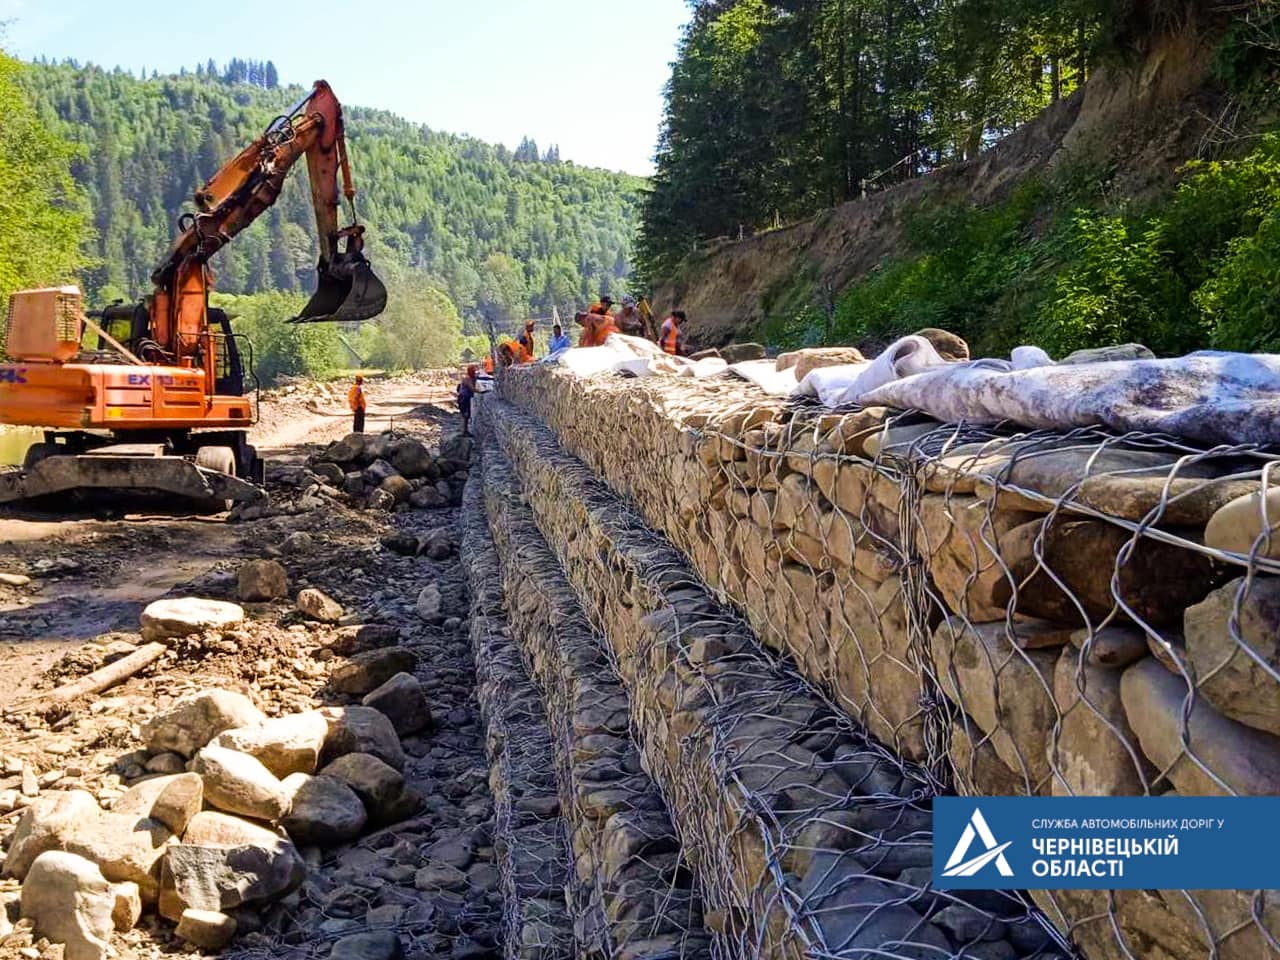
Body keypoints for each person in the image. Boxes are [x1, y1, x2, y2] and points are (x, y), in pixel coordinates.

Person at [457, 364, 478, 436]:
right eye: (474, 371)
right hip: (463, 398)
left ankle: (465, 430)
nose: (475, 373)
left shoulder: (473, 378)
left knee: (467, 415)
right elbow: (472, 388)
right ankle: (464, 431)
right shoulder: (467, 379)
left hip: (467, 398)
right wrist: (483, 390)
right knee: (465, 414)